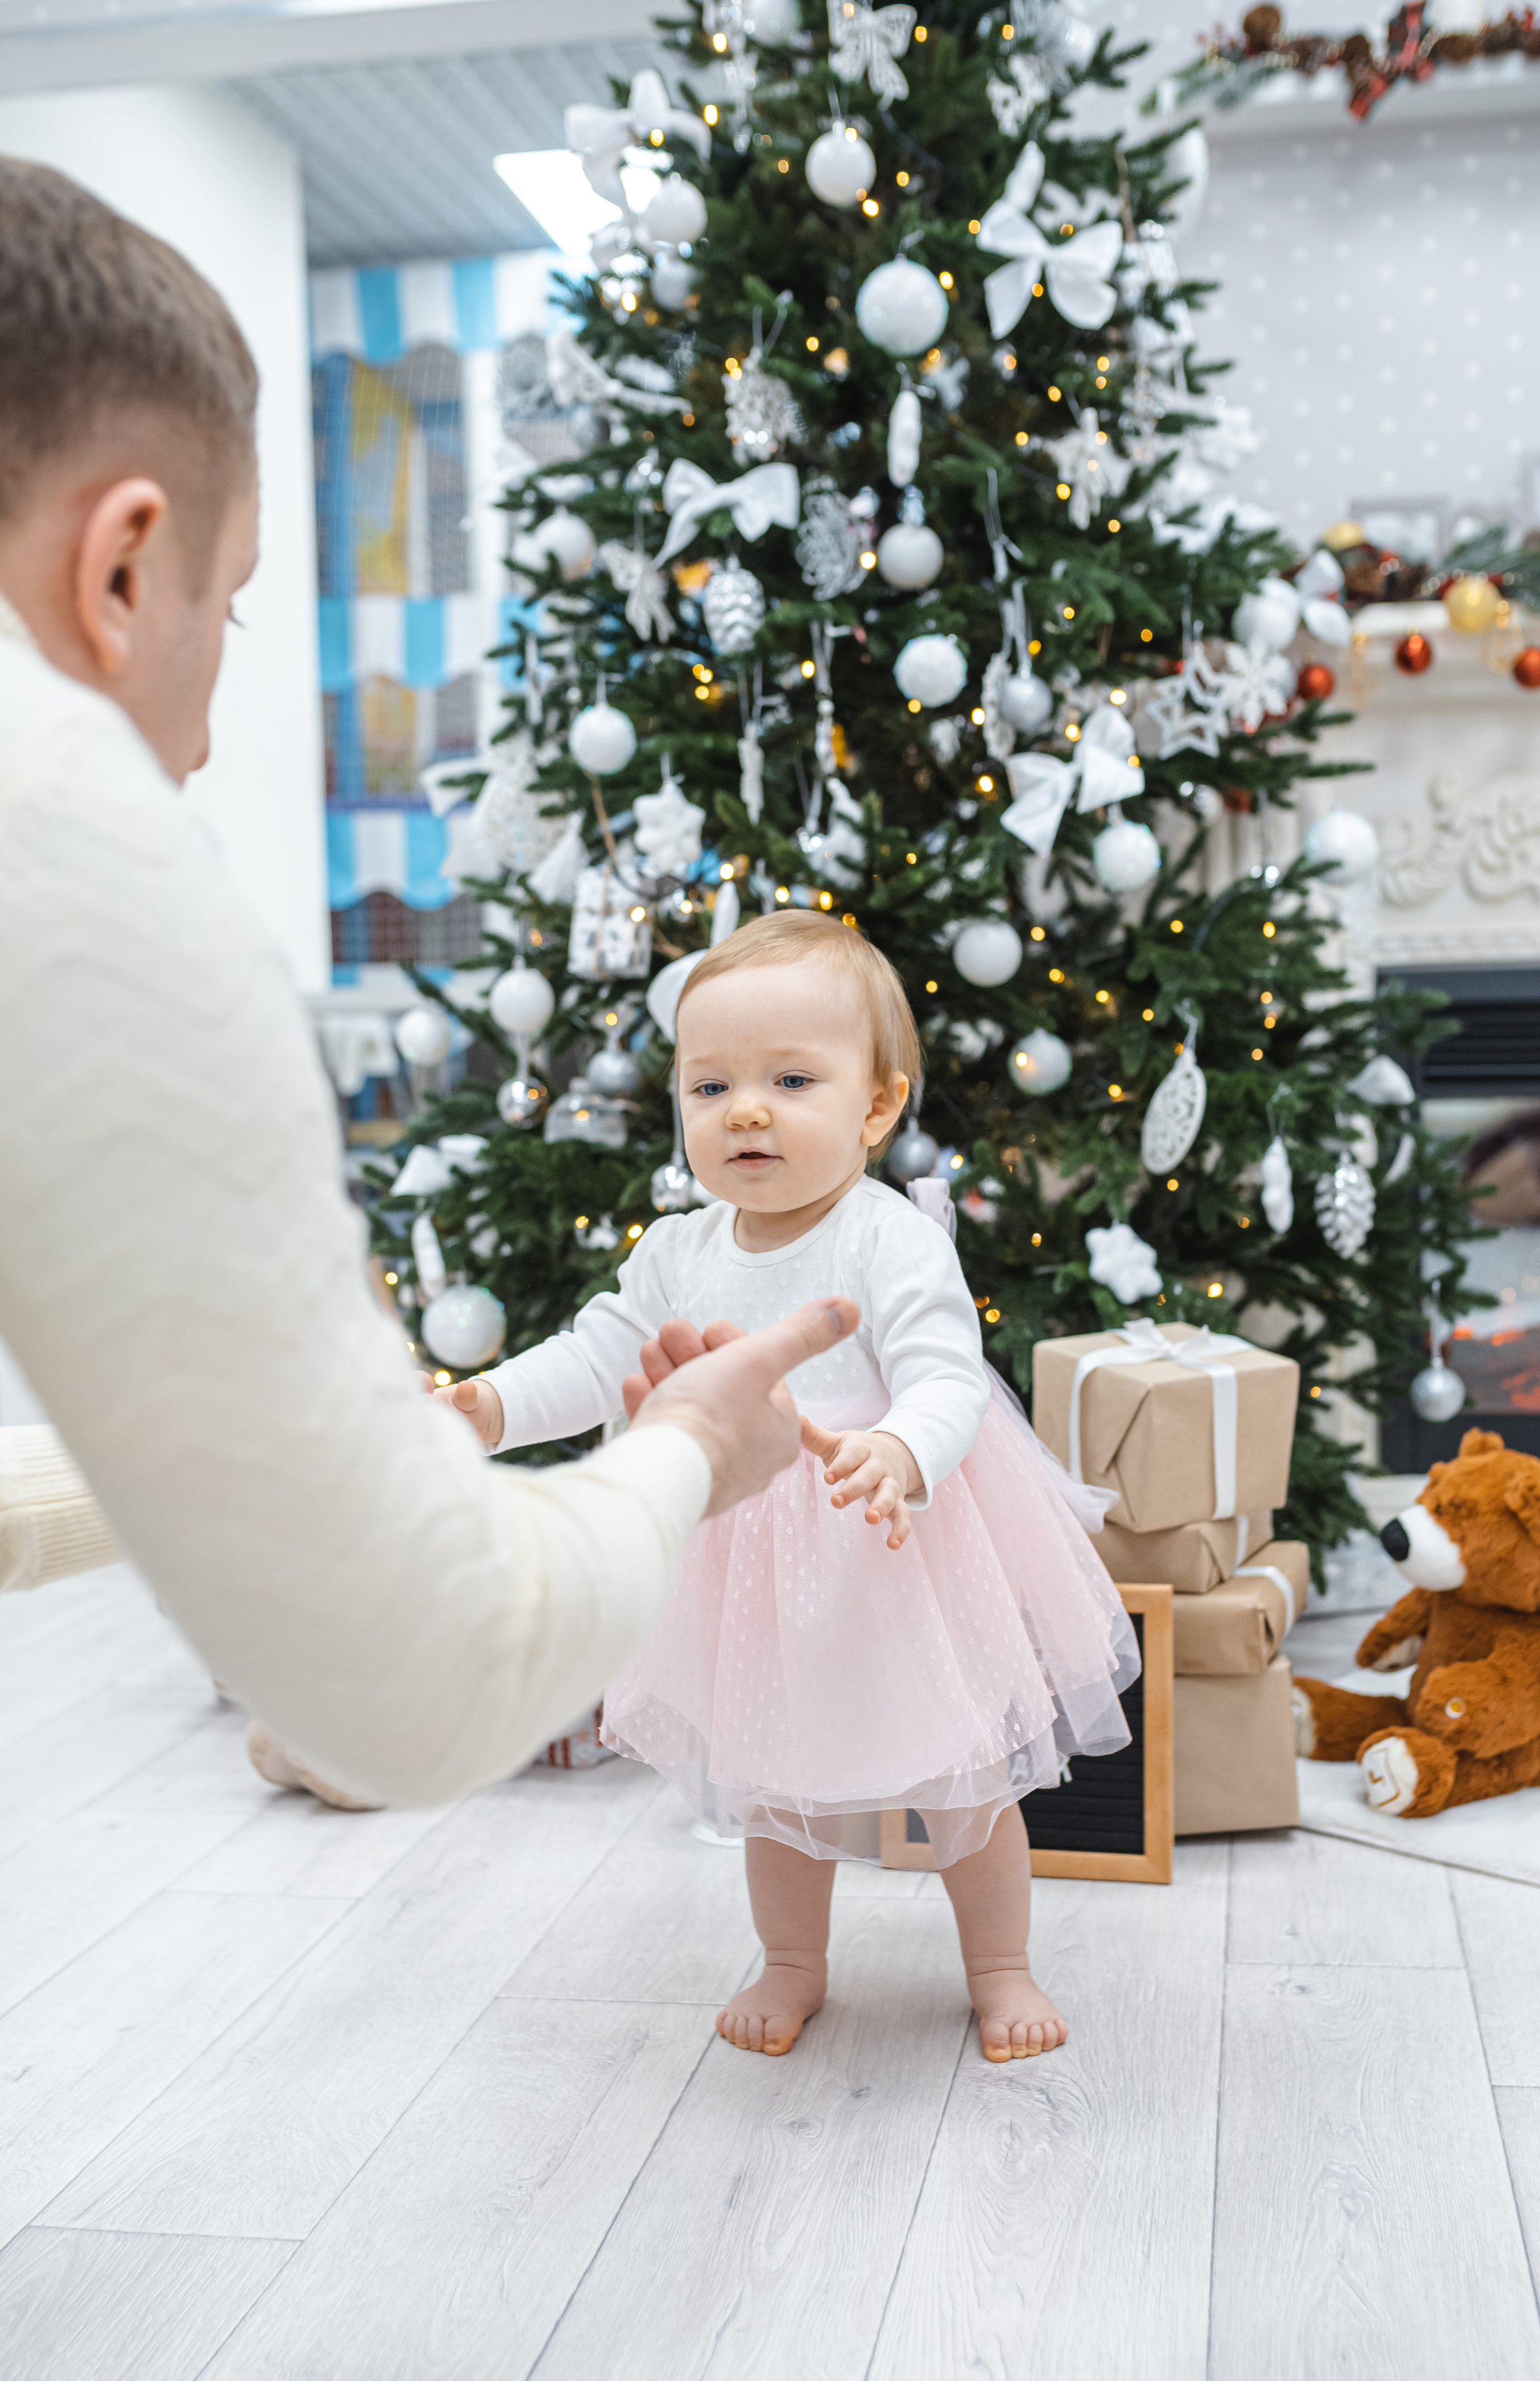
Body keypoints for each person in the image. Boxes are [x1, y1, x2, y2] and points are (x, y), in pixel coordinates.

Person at [0, 157, 857, 1801]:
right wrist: (688, 1451)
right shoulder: (61, 818)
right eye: (230, 613)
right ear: (121, 569)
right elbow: (417, 1685)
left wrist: (247, 1468)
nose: (193, 745)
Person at [443, 914, 1138, 2062]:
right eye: (709, 1084)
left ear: (876, 1108)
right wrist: (493, 1407)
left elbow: (945, 1372)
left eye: (790, 1079)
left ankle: (1001, 1964)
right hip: (753, 1563)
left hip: (893, 1539)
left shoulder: (888, 1241)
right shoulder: (679, 1249)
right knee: (774, 1775)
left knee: (964, 1780)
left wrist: (905, 1448)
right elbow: (596, 1354)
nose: (746, 1109)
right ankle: (793, 1959)